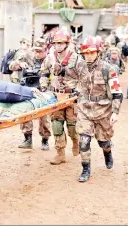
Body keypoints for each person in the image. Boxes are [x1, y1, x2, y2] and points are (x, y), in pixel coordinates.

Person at [76, 36, 123, 182]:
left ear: (98, 52)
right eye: (86, 52)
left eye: (92, 52)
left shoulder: (108, 69)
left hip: (103, 111)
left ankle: (107, 153)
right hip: (85, 109)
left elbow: (117, 92)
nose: (89, 55)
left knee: (104, 142)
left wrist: (115, 112)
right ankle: (85, 169)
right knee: (84, 141)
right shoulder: (80, 66)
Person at [39, 29, 86, 165]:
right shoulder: (50, 57)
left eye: (61, 43)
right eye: (56, 43)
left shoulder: (75, 58)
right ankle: (60, 154)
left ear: (66, 43)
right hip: (56, 96)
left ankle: (75, 141)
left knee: (72, 126)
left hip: (71, 97)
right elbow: (43, 72)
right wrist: (43, 87)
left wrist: (78, 91)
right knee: (56, 125)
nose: (58, 45)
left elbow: (84, 78)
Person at [9, 38, 52, 150]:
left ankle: (45, 140)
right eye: (35, 51)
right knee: (25, 114)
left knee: (44, 117)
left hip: (43, 91)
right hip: (27, 90)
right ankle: (27, 139)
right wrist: (19, 64)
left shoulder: (49, 60)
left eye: (40, 51)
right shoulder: (27, 57)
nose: (37, 54)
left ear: (46, 50)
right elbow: (11, 66)